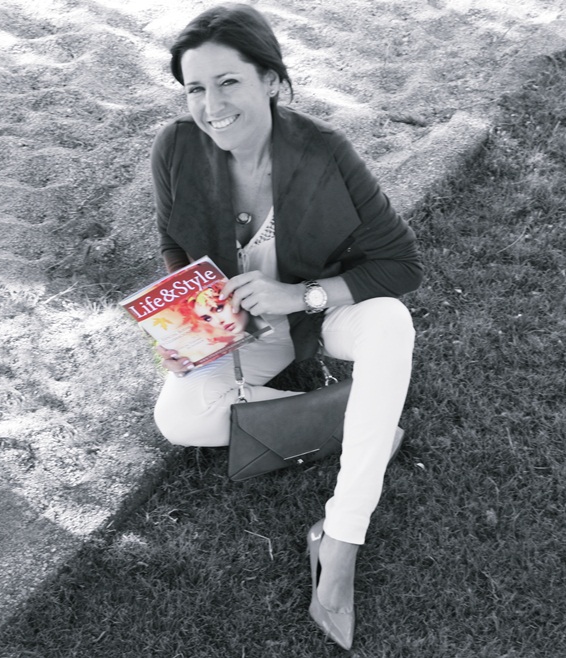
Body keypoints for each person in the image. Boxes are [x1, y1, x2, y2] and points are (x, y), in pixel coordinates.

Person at [149, 4, 421, 649]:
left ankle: (341, 540)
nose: (212, 106)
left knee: (391, 322)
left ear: (271, 79)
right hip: (239, 328)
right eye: (195, 88)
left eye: (229, 82)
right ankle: (364, 417)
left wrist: (299, 297)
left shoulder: (325, 153)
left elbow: (400, 265)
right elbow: (175, 246)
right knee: (179, 419)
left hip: (318, 313)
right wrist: (187, 332)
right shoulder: (176, 147)